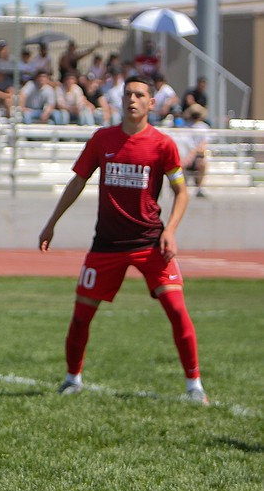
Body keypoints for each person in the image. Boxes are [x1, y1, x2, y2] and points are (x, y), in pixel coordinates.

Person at [38, 74, 208, 404]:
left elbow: (181, 192)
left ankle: (194, 386)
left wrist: (170, 230)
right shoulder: (102, 139)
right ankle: (72, 378)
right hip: (107, 245)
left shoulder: (163, 145)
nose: (132, 99)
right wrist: (52, 223)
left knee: (177, 310)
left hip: (150, 243)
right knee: (81, 314)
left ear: (151, 102)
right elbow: (77, 182)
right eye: (128, 94)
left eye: (139, 95)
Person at [175, 104, 210, 197]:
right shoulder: (185, 126)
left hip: (197, 156)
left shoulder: (203, 127)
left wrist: (193, 153)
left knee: (202, 163)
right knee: (179, 163)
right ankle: (180, 187)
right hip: (184, 155)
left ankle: (199, 187)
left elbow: (203, 144)